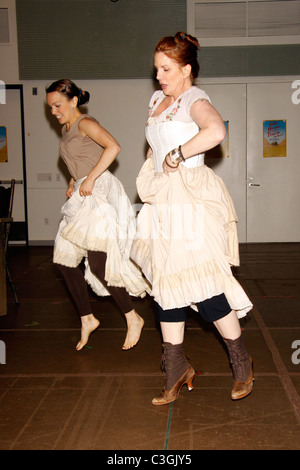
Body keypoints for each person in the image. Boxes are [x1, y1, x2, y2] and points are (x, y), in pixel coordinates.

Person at [131, 32, 254, 405]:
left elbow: (216, 132)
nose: (160, 77)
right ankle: (175, 368)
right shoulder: (157, 100)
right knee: (167, 286)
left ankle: (241, 361)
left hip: (189, 199)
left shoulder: (195, 99)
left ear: (186, 69)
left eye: (167, 69)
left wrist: (178, 154)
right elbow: (154, 144)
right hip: (162, 202)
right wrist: (157, 165)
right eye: (156, 70)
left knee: (204, 286)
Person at [46, 79, 149, 351]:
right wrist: (73, 180)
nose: (54, 111)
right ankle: (87, 318)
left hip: (98, 192)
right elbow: (79, 160)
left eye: (57, 105)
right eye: (50, 108)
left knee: (99, 264)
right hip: (82, 192)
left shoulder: (84, 123)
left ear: (73, 101)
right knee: (64, 261)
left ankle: (132, 317)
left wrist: (90, 178)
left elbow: (113, 147)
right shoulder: (67, 129)